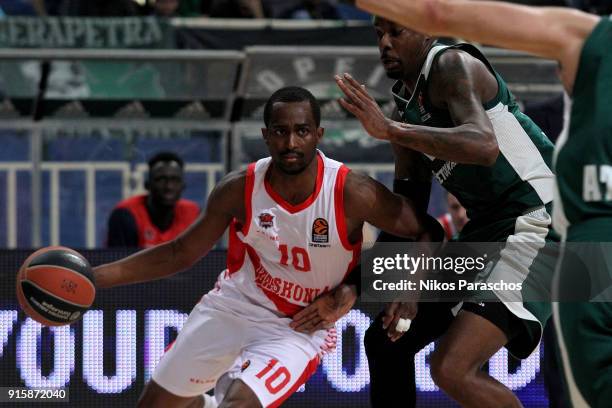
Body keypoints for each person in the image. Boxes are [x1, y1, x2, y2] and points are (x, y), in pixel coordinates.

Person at [93, 86, 434, 408]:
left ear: (319, 134)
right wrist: (91, 279)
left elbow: (427, 231)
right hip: (233, 306)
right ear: (265, 135)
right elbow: (178, 253)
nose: (290, 142)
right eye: (280, 131)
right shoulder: (239, 189)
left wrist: (400, 290)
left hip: (298, 327)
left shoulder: (350, 190)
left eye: (302, 131)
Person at [352, 1, 612, 407]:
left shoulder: (451, 65)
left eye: (396, 32)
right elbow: (411, 213)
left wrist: (392, 131)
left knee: (451, 367)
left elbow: (484, 144)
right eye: (378, 34)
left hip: (538, 222)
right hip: (488, 230)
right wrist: (388, 283)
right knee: (386, 340)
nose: (384, 43)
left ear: (424, 31)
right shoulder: (404, 104)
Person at [106, 152, 200, 248]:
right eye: (161, 179)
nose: (169, 187)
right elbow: (118, 261)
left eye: (175, 180)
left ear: (183, 186)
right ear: (147, 185)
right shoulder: (125, 215)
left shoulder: (194, 214)